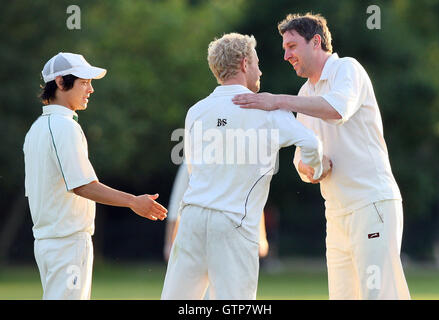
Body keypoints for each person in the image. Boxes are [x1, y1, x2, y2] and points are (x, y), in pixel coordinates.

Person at [232, 13, 410, 300]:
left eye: (292, 47)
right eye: (284, 49)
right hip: (336, 212)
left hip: (371, 203)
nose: (287, 56)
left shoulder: (347, 69)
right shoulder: (305, 92)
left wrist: (277, 100)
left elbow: (337, 110)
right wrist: (312, 168)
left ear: (316, 42)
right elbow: (300, 160)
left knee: (379, 295)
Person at [161, 33, 329, 300]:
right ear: (243, 64)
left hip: (192, 219)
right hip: (234, 225)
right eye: (257, 62)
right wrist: (314, 170)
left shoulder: (196, 111)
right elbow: (311, 143)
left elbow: (193, 170)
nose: (260, 70)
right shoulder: (269, 110)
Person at [23, 52, 167, 300]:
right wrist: (133, 201)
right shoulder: (64, 127)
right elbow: (82, 185)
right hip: (66, 243)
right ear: (59, 82)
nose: (90, 89)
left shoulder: (36, 129)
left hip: (51, 242)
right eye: (83, 82)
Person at [163, 161, 269, 262]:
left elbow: (252, 200)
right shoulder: (193, 159)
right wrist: (169, 243)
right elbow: (177, 204)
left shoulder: (240, 160)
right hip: (198, 237)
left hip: (233, 238)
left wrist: (261, 237)